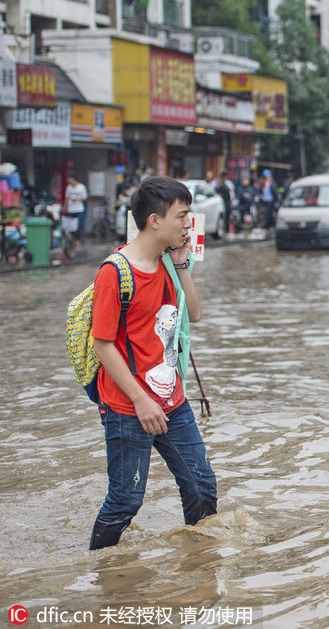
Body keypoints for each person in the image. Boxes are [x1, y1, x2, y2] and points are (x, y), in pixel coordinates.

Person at [89, 177, 216, 549]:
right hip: (129, 406)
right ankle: (101, 573)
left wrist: (181, 265)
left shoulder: (169, 261)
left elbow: (194, 313)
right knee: (126, 500)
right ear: (155, 221)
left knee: (201, 485)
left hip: (171, 400)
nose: (188, 223)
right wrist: (141, 400)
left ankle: (200, 564)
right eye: (182, 215)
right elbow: (102, 344)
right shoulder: (115, 273)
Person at [64, 174, 88, 250]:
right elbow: (67, 198)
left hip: (79, 209)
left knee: (78, 226)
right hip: (71, 209)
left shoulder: (81, 187)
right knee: (71, 226)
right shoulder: (69, 188)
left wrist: (77, 199)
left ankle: (77, 240)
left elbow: (85, 198)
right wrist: (65, 207)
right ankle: (73, 240)